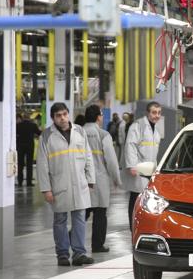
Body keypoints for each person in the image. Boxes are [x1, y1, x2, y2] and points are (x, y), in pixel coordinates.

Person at [37, 102, 96, 266]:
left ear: (68, 114)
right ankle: (62, 254)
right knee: (60, 220)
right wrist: (46, 189)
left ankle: (79, 253)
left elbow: (88, 156)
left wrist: (90, 179)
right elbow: (42, 165)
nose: (62, 118)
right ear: (53, 118)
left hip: (79, 183)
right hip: (58, 185)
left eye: (64, 114)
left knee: (80, 219)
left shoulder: (80, 131)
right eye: (58, 115)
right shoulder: (46, 136)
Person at [83, 105, 121, 253]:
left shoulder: (77, 133)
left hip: (81, 179)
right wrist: (117, 179)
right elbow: (111, 161)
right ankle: (97, 245)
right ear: (99, 117)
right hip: (99, 179)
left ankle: (70, 238)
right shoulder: (103, 134)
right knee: (100, 213)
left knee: (82, 213)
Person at [123, 102, 162, 230]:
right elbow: (130, 145)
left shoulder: (155, 129)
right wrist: (132, 166)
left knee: (145, 198)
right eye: (154, 112)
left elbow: (153, 151)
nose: (156, 115)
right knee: (135, 198)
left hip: (149, 168)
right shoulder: (138, 125)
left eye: (158, 113)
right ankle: (133, 227)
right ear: (147, 113)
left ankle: (143, 225)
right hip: (139, 167)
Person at [16, 112, 41, 186]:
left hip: (20, 146)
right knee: (29, 164)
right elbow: (39, 133)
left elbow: (14, 134)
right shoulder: (33, 125)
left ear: (23, 118)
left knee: (20, 164)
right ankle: (29, 182)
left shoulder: (18, 125)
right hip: (30, 146)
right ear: (29, 118)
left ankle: (20, 181)